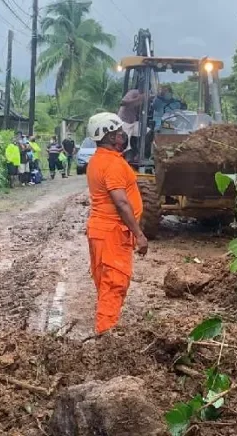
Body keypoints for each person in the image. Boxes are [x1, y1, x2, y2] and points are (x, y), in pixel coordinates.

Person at [85, 112, 148, 336]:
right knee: (114, 284)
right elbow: (121, 202)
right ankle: (106, 336)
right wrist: (139, 234)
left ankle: (106, 327)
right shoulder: (111, 164)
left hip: (99, 231)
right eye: (119, 132)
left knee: (105, 283)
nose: (123, 135)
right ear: (110, 136)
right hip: (112, 233)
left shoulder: (97, 160)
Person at [117, 89, 143, 159]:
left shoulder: (149, 96)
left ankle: (140, 156)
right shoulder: (134, 92)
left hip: (133, 122)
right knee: (125, 145)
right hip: (124, 122)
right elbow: (123, 103)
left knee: (148, 132)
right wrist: (138, 99)